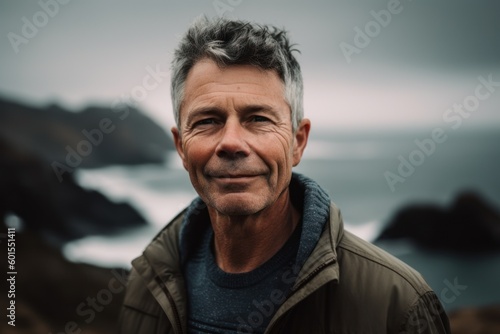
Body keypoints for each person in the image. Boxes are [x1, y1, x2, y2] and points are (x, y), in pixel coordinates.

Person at [119, 17, 450, 334]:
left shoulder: (398, 306)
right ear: (180, 146)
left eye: (258, 118)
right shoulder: (146, 287)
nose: (232, 142)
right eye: (207, 120)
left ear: (297, 142)